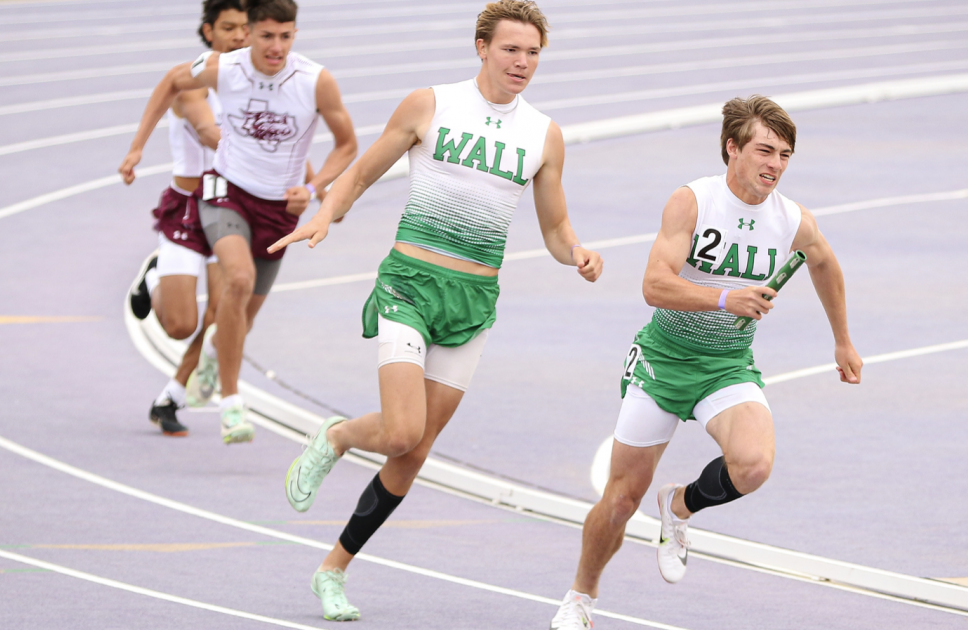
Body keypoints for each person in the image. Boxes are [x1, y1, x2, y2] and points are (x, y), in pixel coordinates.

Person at [269, 1, 603, 620]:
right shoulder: (431, 103)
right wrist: (324, 214)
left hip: (473, 301)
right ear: (481, 46)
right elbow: (363, 173)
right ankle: (338, 435)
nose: (522, 62)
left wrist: (577, 254)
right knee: (399, 430)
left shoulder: (543, 134)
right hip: (411, 284)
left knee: (414, 451)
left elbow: (555, 228)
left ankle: (332, 570)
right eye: (510, 49)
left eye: (532, 52)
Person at [547, 95, 863, 629]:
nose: (776, 165)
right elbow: (653, 284)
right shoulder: (693, 201)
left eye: (786, 155)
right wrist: (724, 299)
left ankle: (679, 506)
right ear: (732, 148)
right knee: (622, 500)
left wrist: (843, 341)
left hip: (726, 364)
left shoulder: (791, 219)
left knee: (754, 465)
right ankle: (580, 597)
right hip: (663, 362)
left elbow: (825, 261)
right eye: (765, 150)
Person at [120, 0, 357, 444]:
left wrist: (318, 192)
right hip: (208, 198)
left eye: (284, 36)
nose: (271, 45)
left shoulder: (312, 80)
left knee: (231, 312)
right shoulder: (214, 74)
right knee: (197, 310)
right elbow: (205, 122)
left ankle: (176, 390)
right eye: (259, 34)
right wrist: (136, 148)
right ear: (214, 32)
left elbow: (335, 146)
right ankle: (230, 401)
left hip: (270, 210)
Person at [126, 0, 246, 437]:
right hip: (189, 207)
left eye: (245, 28)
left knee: (222, 311)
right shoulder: (194, 83)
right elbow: (208, 131)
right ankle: (154, 275)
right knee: (181, 325)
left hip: (229, 206)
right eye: (228, 28)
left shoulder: (260, 85)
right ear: (208, 31)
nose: (239, 37)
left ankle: (171, 396)